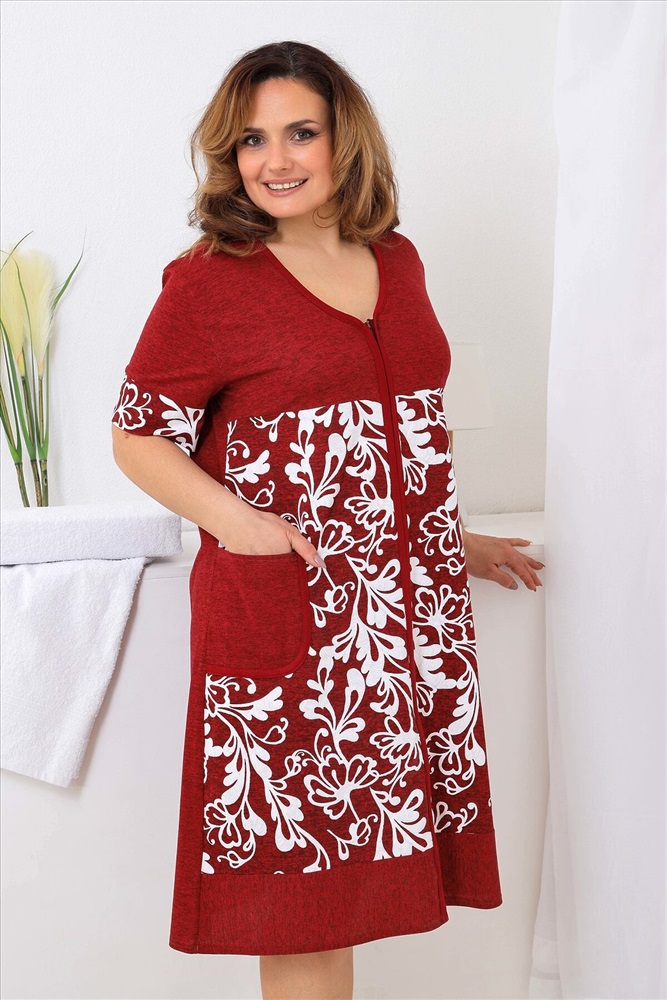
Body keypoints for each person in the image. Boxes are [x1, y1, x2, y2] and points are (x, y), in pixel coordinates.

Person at [111, 40, 544, 1000]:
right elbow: (138, 435)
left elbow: (393, 425)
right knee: (302, 899)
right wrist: (242, 527)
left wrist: (444, 538)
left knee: (360, 887)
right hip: (292, 625)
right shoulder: (210, 279)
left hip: (407, 623)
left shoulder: (397, 259)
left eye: (299, 132)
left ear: (345, 138)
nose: (274, 160)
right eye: (250, 140)